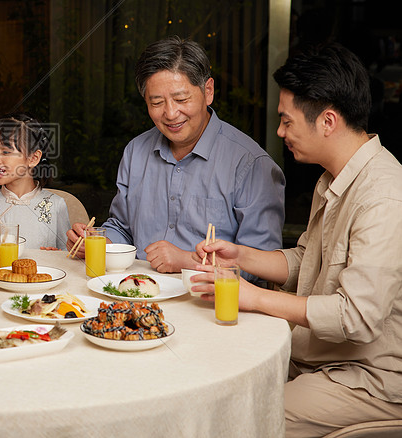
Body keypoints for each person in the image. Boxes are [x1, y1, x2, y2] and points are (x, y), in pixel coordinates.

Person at [197, 43, 402, 436]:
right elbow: (307, 258)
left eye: (287, 121)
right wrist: (239, 256)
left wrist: (255, 297)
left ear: (327, 121)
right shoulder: (334, 176)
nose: (280, 132)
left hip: (366, 375)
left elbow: (356, 317)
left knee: (240, 420)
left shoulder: (383, 195)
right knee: (215, 373)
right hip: (317, 355)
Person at [67, 36, 285, 278]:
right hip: (137, 292)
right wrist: (98, 243)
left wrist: (188, 261)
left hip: (207, 304)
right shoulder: (136, 152)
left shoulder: (251, 164)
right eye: (157, 102)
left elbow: (264, 268)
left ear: (208, 91)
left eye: (181, 99)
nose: (170, 113)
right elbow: (122, 228)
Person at [0, 113, 71, 250]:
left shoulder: (56, 205)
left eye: (5, 152)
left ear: (33, 158)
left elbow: (68, 257)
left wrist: (56, 256)